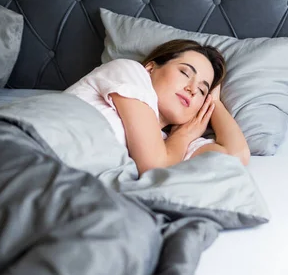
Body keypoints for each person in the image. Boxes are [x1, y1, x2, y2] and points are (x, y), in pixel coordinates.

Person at [65, 39, 249, 175]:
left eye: (202, 90)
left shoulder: (171, 145)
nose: (192, 89)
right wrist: (185, 135)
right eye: (185, 72)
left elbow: (235, 156)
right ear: (150, 68)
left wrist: (213, 103)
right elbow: (153, 166)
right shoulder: (129, 72)